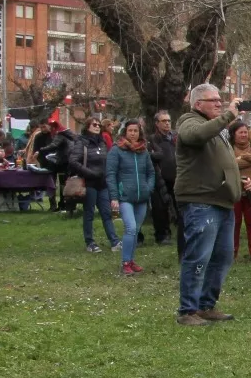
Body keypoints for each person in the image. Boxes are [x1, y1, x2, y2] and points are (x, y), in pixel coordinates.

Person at [174, 83, 244, 326]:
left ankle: (206, 305)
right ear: (197, 104)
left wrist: (236, 181)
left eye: (219, 100)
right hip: (201, 201)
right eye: (212, 100)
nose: (218, 103)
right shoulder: (189, 121)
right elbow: (195, 136)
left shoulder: (217, 129)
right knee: (198, 257)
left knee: (222, 257)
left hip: (222, 201)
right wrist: (228, 117)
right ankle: (187, 310)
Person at [107, 119, 156, 276]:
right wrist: (114, 196)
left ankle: (131, 260)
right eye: (130, 131)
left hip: (141, 197)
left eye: (136, 131)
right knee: (131, 228)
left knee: (136, 230)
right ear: (125, 132)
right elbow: (111, 174)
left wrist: (148, 188)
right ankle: (125, 263)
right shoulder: (116, 150)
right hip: (124, 196)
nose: (133, 134)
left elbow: (151, 172)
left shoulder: (143, 151)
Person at [68, 117, 119, 254]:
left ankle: (114, 241)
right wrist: (89, 173)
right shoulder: (82, 142)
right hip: (89, 182)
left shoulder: (102, 142)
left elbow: (105, 160)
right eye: (94, 124)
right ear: (87, 126)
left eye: (98, 125)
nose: (97, 126)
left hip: (102, 182)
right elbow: (73, 161)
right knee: (89, 213)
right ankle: (90, 242)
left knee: (106, 213)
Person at [230, 122, 251, 260]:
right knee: (234, 222)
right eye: (240, 132)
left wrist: (243, 157)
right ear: (234, 134)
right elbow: (230, 164)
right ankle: (232, 251)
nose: (244, 135)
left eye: (245, 132)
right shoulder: (229, 147)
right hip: (235, 190)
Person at [149, 110, 178, 247]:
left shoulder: (175, 138)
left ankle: (180, 230)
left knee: (179, 206)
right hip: (160, 177)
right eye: (164, 121)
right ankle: (162, 235)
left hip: (177, 177)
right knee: (160, 208)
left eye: (169, 121)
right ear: (157, 123)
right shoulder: (153, 139)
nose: (167, 123)